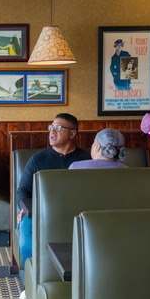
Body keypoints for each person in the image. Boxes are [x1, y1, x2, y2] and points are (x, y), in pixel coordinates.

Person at [16, 113, 90, 270]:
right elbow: (23, 189)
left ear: (72, 133)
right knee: (26, 229)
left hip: (75, 212)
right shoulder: (38, 159)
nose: (52, 131)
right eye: (51, 127)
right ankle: (30, 278)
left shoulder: (85, 160)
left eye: (58, 127)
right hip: (41, 212)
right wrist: (24, 208)